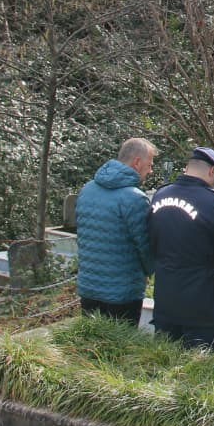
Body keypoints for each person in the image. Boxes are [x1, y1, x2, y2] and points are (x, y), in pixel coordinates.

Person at [148, 147, 214, 349]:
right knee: (202, 363)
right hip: (202, 304)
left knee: (163, 359)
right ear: (212, 171)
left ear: (187, 168)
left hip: (165, 298)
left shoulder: (160, 195)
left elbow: (152, 240)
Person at [75, 137, 157, 326]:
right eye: (149, 165)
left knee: (91, 341)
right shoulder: (135, 199)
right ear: (137, 162)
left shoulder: (87, 190)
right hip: (122, 294)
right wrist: (152, 270)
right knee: (121, 344)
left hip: (88, 288)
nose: (150, 171)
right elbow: (145, 246)